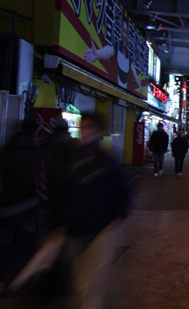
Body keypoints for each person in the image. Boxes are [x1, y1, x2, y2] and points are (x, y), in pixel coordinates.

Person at [45, 113, 134, 309]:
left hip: (102, 230)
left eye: (91, 129)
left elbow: (123, 193)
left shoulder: (106, 161)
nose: (86, 133)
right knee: (85, 279)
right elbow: (57, 194)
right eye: (83, 128)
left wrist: (116, 219)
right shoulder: (65, 158)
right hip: (75, 230)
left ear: (98, 133)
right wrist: (57, 224)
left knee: (86, 285)